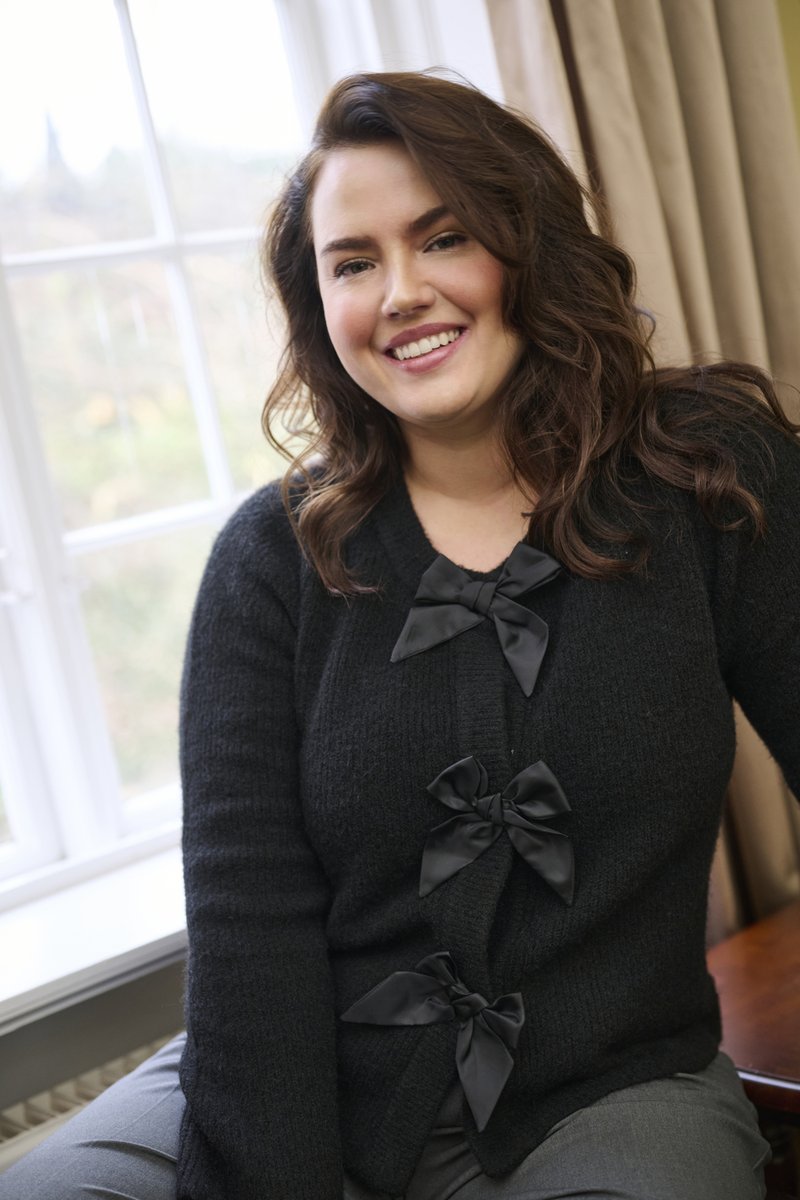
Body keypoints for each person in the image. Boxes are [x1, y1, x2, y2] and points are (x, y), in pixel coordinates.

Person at [2, 69, 798, 1200]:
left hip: (611, 1093)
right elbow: (247, 925)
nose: (401, 292)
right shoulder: (268, 561)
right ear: (318, 306)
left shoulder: (709, 476)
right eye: (353, 262)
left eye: (443, 237)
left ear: (526, 248)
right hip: (284, 1080)